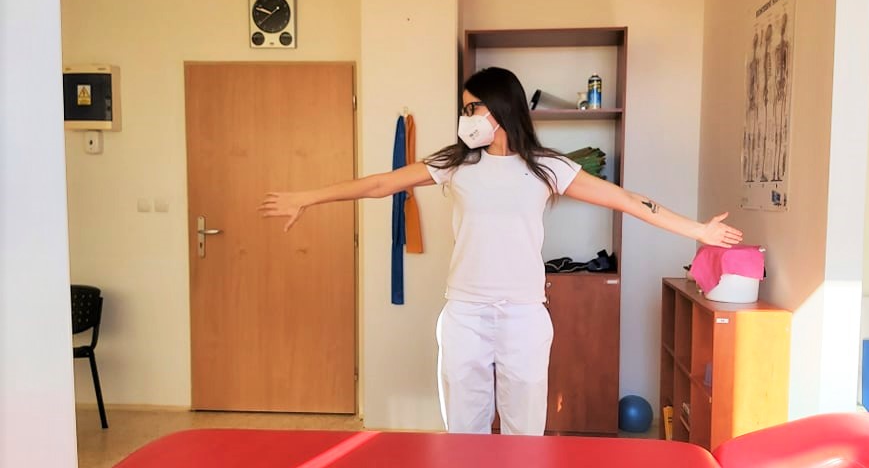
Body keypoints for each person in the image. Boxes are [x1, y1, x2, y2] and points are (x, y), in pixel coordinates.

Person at [259, 67, 743, 436]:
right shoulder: (454, 163)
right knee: (464, 431)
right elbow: (382, 184)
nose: (465, 117)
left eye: (471, 107)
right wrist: (308, 197)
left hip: (524, 316)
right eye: (465, 109)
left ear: (498, 108)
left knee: (523, 431)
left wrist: (697, 230)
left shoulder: (548, 167)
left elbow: (627, 200)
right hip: (464, 313)